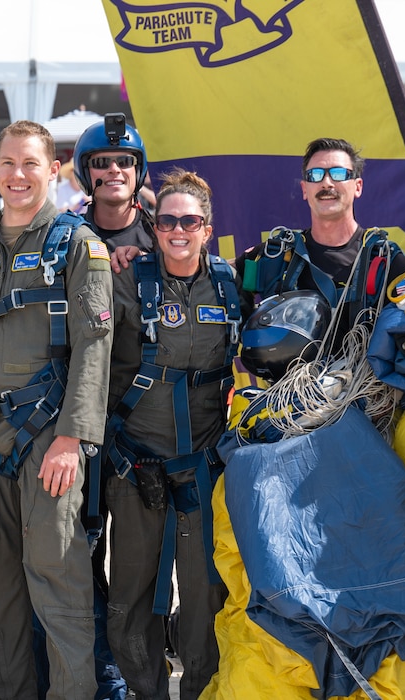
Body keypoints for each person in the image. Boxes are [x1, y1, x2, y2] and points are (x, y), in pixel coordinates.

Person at [0, 120, 114, 699]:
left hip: (49, 447)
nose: (17, 175)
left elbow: (95, 344)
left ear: (53, 169)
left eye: (30, 163)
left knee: (60, 594)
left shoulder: (79, 246)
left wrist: (72, 439)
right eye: (7, 163)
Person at [104, 170, 237, 699]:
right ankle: (145, 691)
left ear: (207, 226)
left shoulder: (233, 282)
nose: (177, 230)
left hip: (204, 466)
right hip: (135, 464)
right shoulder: (123, 280)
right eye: (166, 221)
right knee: (132, 595)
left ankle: (200, 690)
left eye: (189, 220)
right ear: (151, 226)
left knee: (206, 594)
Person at [236, 137, 405, 330]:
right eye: (315, 175)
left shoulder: (387, 262)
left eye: (338, 174)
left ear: (358, 186)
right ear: (305, 189)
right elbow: (213, 276)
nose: (326, 183)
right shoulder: (275, 257)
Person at [72, 113, 155, 252]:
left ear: (138, 170)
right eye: (101, 163)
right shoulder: (69, 240)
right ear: (85, 173)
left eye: (125, 162)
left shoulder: (159, 236)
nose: (114, 169)